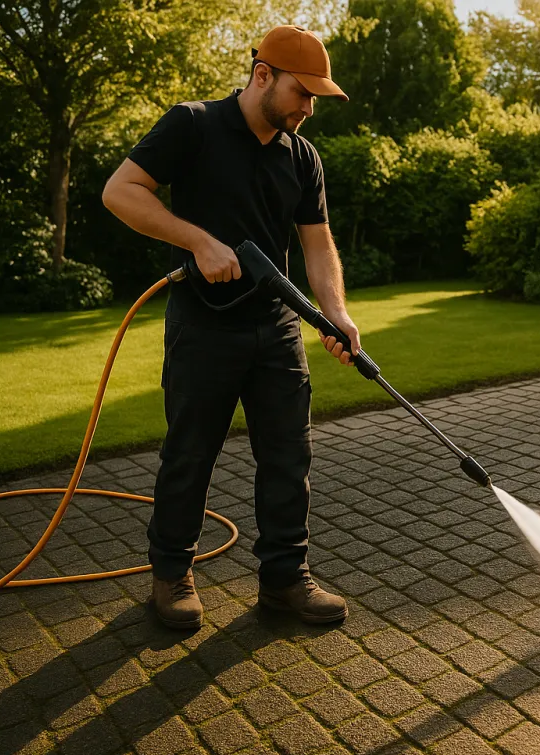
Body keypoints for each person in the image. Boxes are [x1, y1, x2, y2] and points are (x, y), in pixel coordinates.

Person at [102, 25, 359, 629]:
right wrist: (197, 241)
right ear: (263, 75)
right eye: (303, 92)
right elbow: (120, 191)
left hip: (278, 327)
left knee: (288, 458)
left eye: (316, 97)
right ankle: (171, 576)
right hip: (204, 327)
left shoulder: (302, 156)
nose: (309, 107)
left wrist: (337, 313)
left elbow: (317, 246)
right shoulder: (193, 126)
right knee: (190, 456)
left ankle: (284, 580)